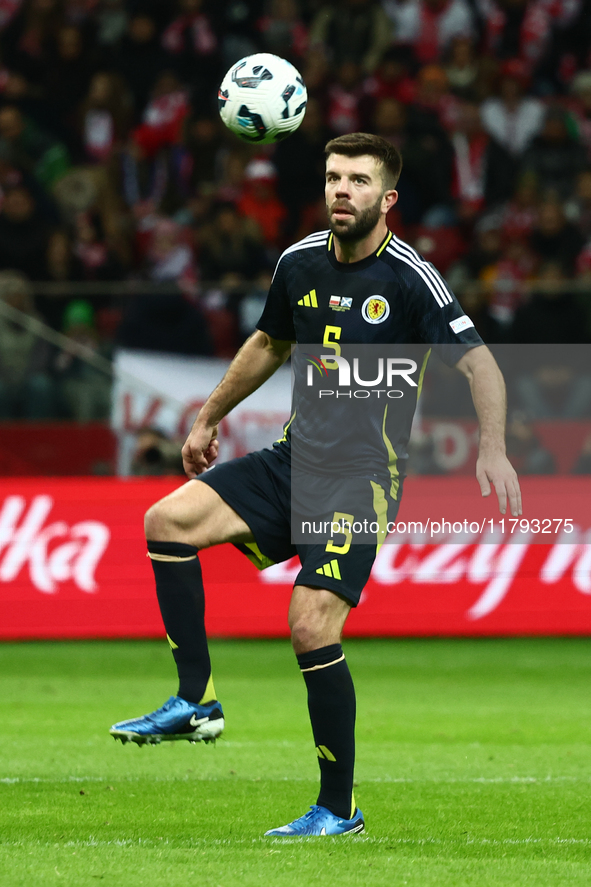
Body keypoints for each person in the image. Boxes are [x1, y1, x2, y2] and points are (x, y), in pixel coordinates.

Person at [109, 133, 522, 837]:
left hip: (360, 482)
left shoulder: (409, 279)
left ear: (386, 199)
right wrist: (208, 416)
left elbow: (480, 364)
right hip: (291, 460)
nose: (340, 189)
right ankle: (194, 699)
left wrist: (493, 447)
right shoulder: (299, 261)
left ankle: (337, 809)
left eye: (358, 180)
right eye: (333, 176)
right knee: (166, 522)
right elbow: (269, 341)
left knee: (308, 625)